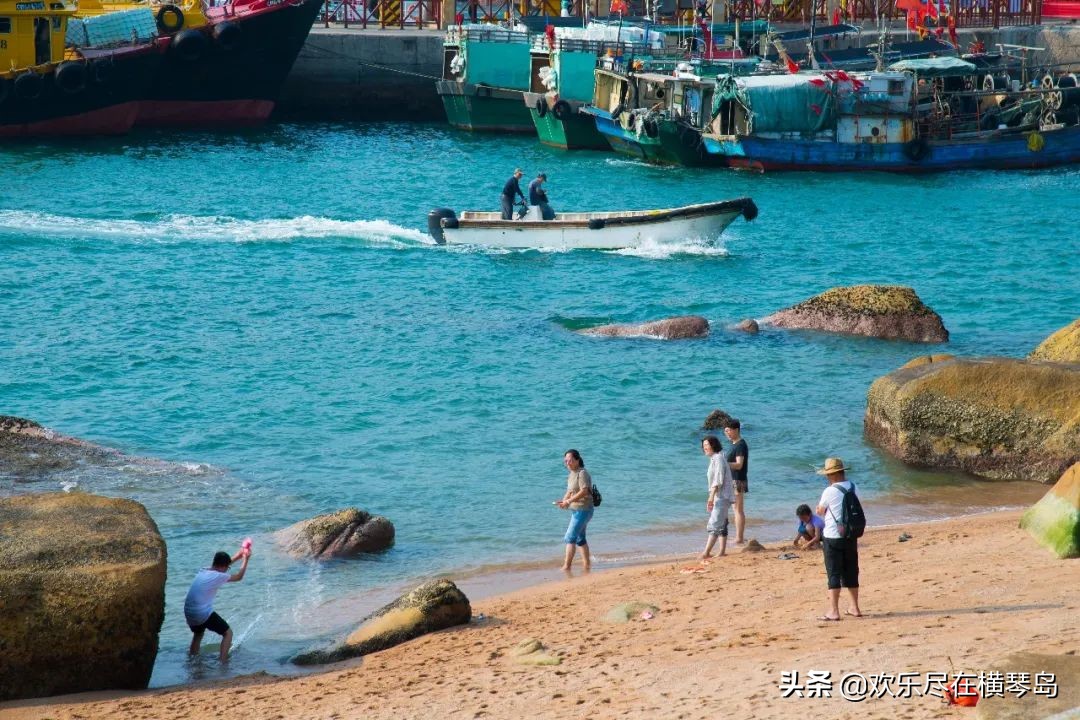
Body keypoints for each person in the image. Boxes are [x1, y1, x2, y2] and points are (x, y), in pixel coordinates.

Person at [815, 457, 863, 621]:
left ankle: (834, 611)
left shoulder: (829, 491)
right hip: (850, 534)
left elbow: (820, 511)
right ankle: (855, 607)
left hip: (832, 536)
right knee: (851, 571)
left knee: (833, 573)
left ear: (832, 475)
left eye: (828, 475)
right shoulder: (854, 487)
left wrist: (820, 508)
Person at [184, 547, 251, 662]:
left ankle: (192, 661)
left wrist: (238, 555)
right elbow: (239, 577)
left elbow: (222, 567)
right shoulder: (218, 576)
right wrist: (245, 559)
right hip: (202, 613)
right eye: (227, 568)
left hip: (189, 611)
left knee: (198, 634)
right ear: (223, 566)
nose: (227, 570)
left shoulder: (203, 570)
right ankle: (223, 662)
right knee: (228, 633)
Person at [555, 448, 593, 572]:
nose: (567, 463)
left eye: (570, 460)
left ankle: (567, 566)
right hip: (577, 510)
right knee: (580, 538)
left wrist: (569, 501)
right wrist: (564, 501)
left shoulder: (582, 473)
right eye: (565, 461)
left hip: (584, 509)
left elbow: (585, 491)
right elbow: (570, 491)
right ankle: (587, 564)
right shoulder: (572, 474)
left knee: (570, 537)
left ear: (577, 460)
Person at [700, 435, 735, 561]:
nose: (705, 448)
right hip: (720, 496)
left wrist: (711, 497)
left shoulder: (718, 458)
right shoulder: (716, 458)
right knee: (722, 523)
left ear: (713, 445)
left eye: (707, 445)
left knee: (714, 524)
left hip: (721, 496)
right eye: (703, 446)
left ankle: (706, 552)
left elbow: (718, 480)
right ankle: (721, 552)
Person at [723, 418, 749, 544]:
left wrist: (725, 464)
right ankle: (739, 536)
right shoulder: (734, 444)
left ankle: (739, 538)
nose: (727, 433)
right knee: (735, 510)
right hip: (733, 480)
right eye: (725, 431)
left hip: (738, 480)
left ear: (736, 430)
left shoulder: (740, 445)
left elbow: (739, 465)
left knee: (738, 510)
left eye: (729, 431)